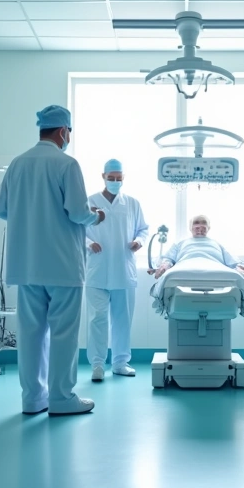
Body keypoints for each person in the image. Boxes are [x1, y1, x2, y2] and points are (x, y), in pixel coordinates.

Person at [0, 105, 104, 417]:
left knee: (30, 335)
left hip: (26, 265)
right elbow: (79, 213)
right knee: (63, 334)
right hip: (62, 265)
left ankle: (32, 399)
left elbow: (1, 211)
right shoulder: (66, 164)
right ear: (63, 131)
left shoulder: (17, 164)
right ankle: (61, 398)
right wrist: (97, 214)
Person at [85, 159, 149, 382]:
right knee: (97, 320)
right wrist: (87, 244)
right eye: (110, 178)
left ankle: (121, 363)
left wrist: (138, 242)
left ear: (123, 179)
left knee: (122, 320)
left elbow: (143, 229)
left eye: (118, 179)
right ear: (102, 176)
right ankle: (97, 365)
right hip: (97, 270)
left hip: (123, 270)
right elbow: (75, 228)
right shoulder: (90, 201)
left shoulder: (132, 203)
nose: (114, 182)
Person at [152, 215, 244, 278]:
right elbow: (168, 259)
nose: (200, 227)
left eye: (204, 224)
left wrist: (240, 267)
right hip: (185, 267)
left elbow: (232, 261)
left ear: (209, 228)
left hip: (215, 268)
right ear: (190, 228)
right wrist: (164, 266)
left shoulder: (217, 244)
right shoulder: (180, 243)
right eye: (196, 224)